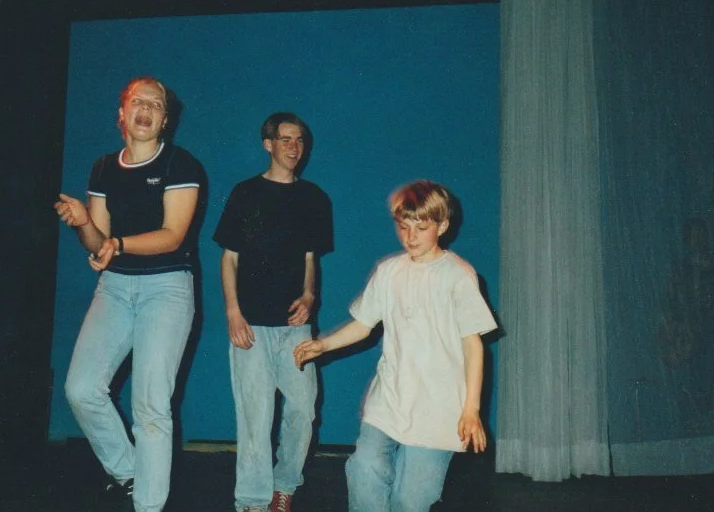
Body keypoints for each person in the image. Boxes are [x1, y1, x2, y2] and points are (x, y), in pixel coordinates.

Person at [294, 180, 497, 512]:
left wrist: (471, 409)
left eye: (421, 227)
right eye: (404, 226)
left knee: (412, 500)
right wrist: (323, 344)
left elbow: (473, 346)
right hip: (389, 401)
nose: (411, 236)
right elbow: (363, 324)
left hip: (438, 409)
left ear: (442, 226)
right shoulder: (389, 272)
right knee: (364, 469)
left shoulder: (459, 276)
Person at [54, 76, 204, 512]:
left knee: (151, 405)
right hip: (116, 287)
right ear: (122, 113)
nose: (146, 109)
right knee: (81, 388)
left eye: (155, 104)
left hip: (168, 287)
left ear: (165, 120)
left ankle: (149, 506)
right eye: (138, 101)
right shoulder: (103, 168)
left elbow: (172, 235)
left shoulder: (181, 164)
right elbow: (97, 243)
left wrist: (116, 244)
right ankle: (131, 473)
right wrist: (84, 222)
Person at [213, 112, 334, 512]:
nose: (294, 147)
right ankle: (251, 500)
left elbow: (311, 257)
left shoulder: (314, 198)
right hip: (250, 324)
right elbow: (229, 258)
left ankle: (285, 486)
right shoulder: (245, 193)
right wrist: (233, 312)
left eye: (299, 140)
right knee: (255, 416)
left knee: (302, 409)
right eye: (285, 139)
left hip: (295, 327)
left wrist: (310, 296)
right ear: (268, 144)